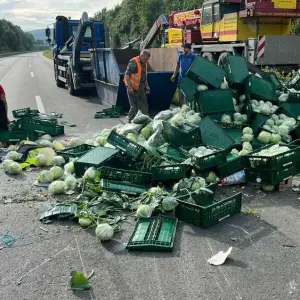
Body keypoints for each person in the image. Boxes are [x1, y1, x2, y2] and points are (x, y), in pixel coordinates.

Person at [124, 50, 151, 122]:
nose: (146, 61)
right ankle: (130, 119)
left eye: (147, 60)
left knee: (144, 103)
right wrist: (129, 88)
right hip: (132, 86)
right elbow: (127, 75)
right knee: (134, 105)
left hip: (141, 85)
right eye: (146, 59)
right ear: (141, 56)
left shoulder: (144, 63)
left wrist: (147, 85)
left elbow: (143, 76)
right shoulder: (133, 62)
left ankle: (145, 118)